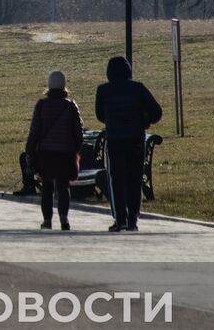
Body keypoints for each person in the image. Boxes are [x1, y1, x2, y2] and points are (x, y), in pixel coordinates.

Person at [95, 55, 163, 233]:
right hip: (135, 141)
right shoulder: (138, 89)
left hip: (115, 141)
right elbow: (157, 112)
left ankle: (120, 219)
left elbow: (100, 115)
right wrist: (144, 119)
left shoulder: (103, 90)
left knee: (117, 181)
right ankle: (133, 220)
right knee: (134, 180)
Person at [26, 70, 85, 231]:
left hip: (46, 153)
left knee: (47, 187)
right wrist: (75, 150)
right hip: (65, 153)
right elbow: (78, 133)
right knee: (63, 186)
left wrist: (30, 152)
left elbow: (34, 132)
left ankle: (47, 220)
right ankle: (64, 218)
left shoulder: (41, 105)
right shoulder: (71, 106)